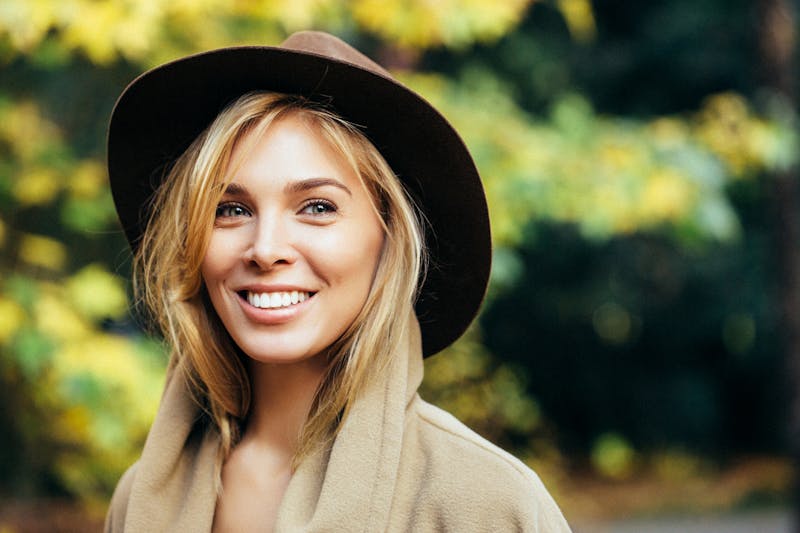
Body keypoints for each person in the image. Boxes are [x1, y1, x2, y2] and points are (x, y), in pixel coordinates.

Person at [104, 30, 571, 532]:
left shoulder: (486, 504)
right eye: (231, 210)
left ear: (390, 237)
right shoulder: (142, 499)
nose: (265, 249)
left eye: (317, 207)